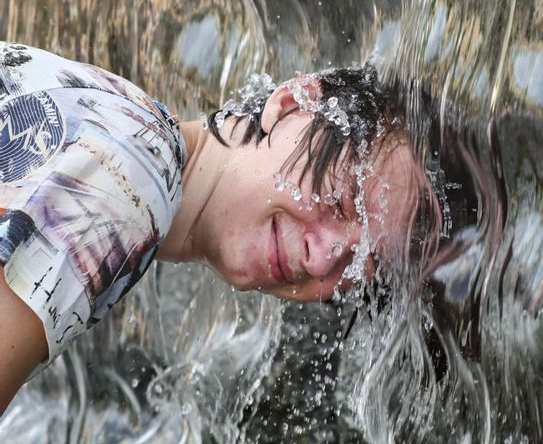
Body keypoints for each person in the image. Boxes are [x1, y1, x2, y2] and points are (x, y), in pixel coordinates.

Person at [0, 42, 430, 413]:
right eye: (343, 200)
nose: (321, 259)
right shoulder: (132, 180)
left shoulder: (118, 117)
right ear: (294, 104)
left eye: (360, 260)